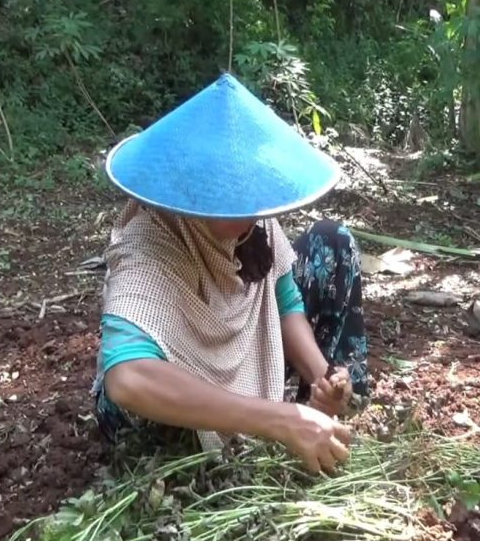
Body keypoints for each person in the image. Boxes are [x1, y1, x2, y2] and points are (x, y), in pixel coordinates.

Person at [88, 73, 369, 474]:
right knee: (165, 446)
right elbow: (128, 378)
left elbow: (284, 300)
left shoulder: (255, 221)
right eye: (236, 202)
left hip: (247, 362)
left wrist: (322, 376)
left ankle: (320, 422)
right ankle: (267, 426)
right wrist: (279, 419)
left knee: (332, 242)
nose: (256, 214)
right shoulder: (150, 241)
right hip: (166, 401)